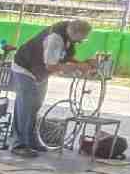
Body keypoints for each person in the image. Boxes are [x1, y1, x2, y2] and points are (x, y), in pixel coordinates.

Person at [10, 18, 95, 156]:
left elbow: (63, 58)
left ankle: (30, 140)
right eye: (81, 39)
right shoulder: (56, 38)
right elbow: (51, 65)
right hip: (25, 68)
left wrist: (82, 63)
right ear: (75, 32)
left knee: (35, 106)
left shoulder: (68, 33)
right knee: (26, 106)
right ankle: (19, 144)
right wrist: (79, 66)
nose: (80, 42)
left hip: (38, 72)